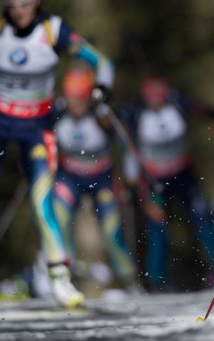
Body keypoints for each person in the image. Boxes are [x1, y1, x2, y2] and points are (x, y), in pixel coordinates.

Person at [0, 0, 114, 307]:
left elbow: (102, 62)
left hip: (37, 125)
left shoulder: (54, 30)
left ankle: (59, 280)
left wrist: (102, 88)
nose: (19, 11)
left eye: (25, 3)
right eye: (13, 4)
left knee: (42, 202)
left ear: (36, 0)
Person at [122, 76, 214, 290]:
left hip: (183, 176)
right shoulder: (137, 115)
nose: (156, 102)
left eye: (159, 98)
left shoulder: (177, 105)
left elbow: (198, 108)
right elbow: (128, 145)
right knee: (158, 229)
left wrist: (212, 114)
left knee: (203, 222)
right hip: (154, 181)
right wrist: (132, 182)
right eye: (151, 99)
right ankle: (156, 282)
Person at [52, 65, 136, 288]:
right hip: (70, 176)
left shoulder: (102, 116)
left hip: (102, 179)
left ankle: (128, 278)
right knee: (58, 216)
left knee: (110, 231)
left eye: (80, 99)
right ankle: (66, 274)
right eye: (71, 98)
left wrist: (129, 175)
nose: (75, 105)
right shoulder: (59, 112)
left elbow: (125, 142)